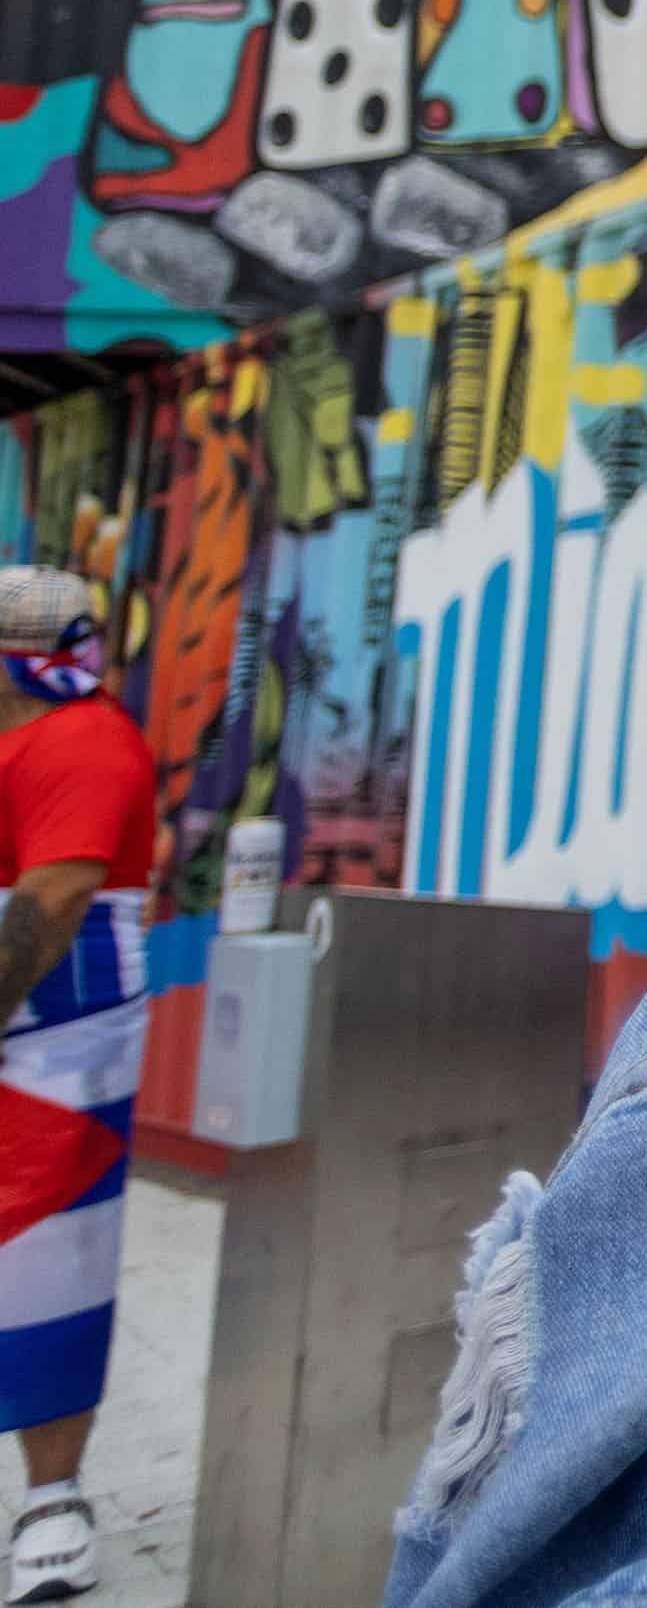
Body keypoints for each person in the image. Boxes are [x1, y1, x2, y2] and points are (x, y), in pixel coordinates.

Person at [0, 570, 153, 1607]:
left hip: (61, 1027)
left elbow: (55, 897)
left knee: (51, 1252)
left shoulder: (81, 740)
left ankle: (53, 1502)